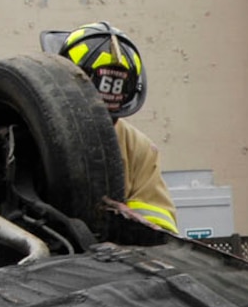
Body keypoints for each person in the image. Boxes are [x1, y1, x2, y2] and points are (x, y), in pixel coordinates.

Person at [58, 22, 179, 233]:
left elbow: (160, 223)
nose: (101, 126)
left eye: (110, 118)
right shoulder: (24, 128)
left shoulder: (138, 149)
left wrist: (136, 227)